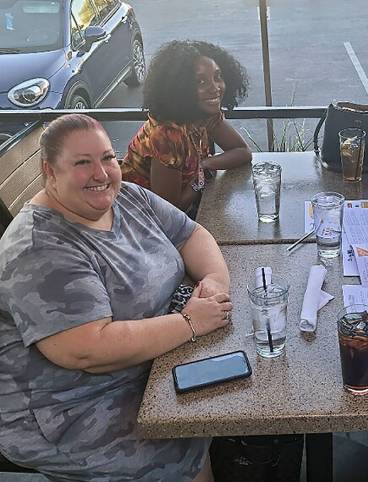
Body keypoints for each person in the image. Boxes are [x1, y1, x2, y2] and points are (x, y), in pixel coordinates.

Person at [0, 113, 234, 481]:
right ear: (50, 171)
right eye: (82, 163)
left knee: (238, 389)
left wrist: (215, 281)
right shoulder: (39, 248)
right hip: (74, 403)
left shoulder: (125, 196)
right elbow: (87, 351)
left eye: (107, 157)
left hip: (153, 360)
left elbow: (190, 234)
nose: (101, 173)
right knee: (181, 447)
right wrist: (190, 322)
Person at [121, 40, 252, 218]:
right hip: (140, 218)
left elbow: (242, 152)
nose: (215, 88)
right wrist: (199, 179)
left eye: (217, 76)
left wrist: (205, 165)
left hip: (183, 213)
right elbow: (170, 212)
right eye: (201, 82)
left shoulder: (204, 114)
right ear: (180, 88)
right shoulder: (167, 135)